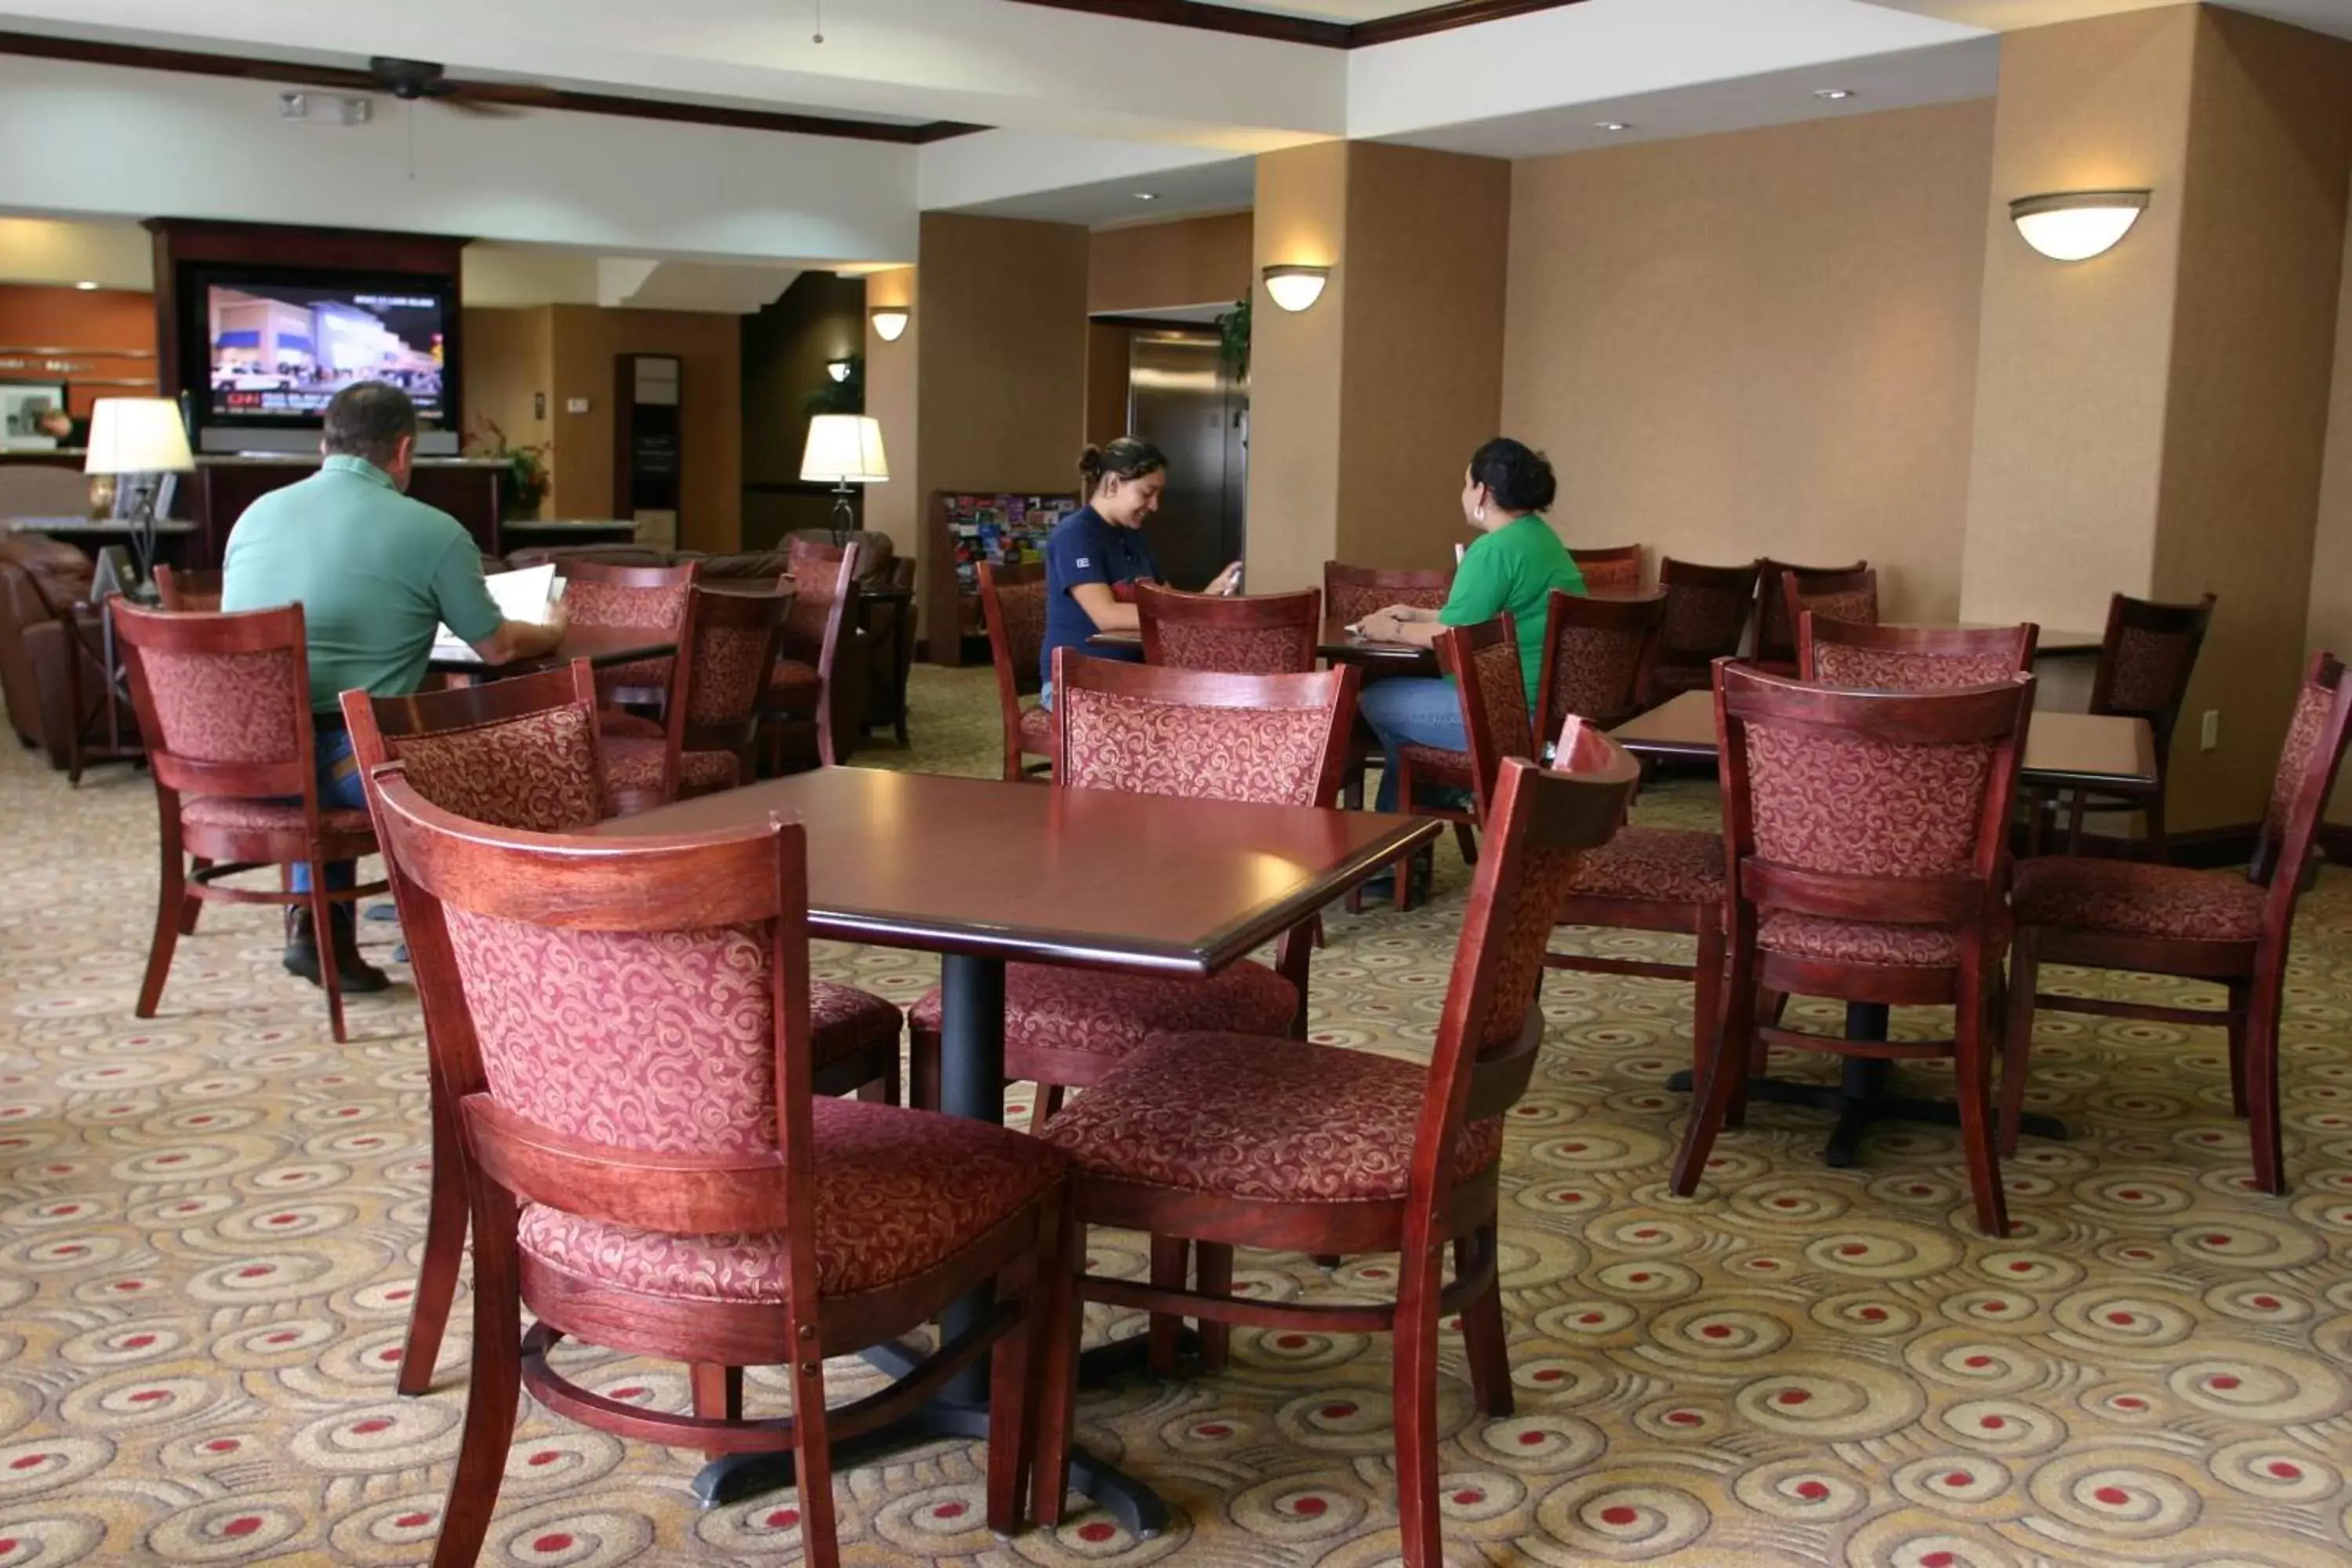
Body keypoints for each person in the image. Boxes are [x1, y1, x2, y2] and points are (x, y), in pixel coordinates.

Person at [221, 381, 568, 993]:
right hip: (347, 768)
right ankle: (483, 949)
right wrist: (552, 629)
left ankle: (317, 927)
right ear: (404, 449)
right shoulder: (431, 531)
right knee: (526, 757)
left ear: (326, 442)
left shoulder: (255, 515)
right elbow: (500, 647)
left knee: (320, 726)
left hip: (241, 761)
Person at [1354, 437, 1585, 815]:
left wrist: (1389, 630)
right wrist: (1416, 614)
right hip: (1547, 711)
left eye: (1466, 484)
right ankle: (1414, 833)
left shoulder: (1493, 550)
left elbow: (1453, 636)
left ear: (1483, 492)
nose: (1463, 494)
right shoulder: (1541, 540)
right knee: (1406, 740)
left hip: (1506, 714)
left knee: (1377, 700)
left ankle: (1403, 842)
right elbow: (1493, 619)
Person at [1039, 436, 1243, 703]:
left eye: (1158, 495)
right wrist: (1192, 612)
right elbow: (1107, 615)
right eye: (1147, 493)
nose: (1155, 506)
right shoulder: (1075, 536)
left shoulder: (1133, 536)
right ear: (1113, 483)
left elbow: (1167, 603)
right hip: (1077, 684)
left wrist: (1207, 596)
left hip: (1135, 679)